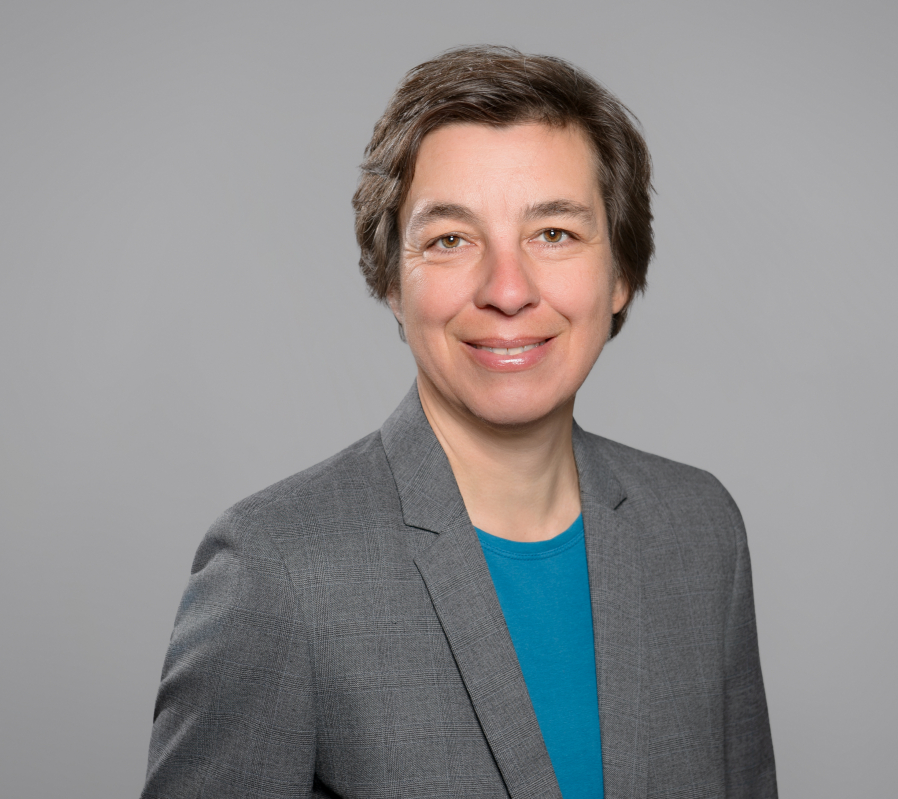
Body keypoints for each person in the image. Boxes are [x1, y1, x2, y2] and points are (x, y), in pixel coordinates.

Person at [142, 45, 776, 799]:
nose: (507, 291)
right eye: (450, 240)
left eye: (554, 233)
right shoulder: (273, 569)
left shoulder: (701, 531)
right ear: (391, 281)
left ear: (622, 275)